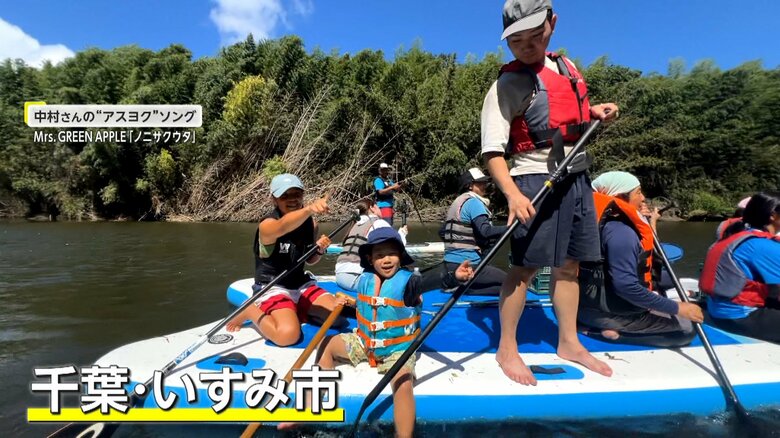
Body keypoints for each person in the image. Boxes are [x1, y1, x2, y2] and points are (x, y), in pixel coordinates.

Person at [481, 0, 619, 385]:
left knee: (571, 265)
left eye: (534, 36)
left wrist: (594, 113)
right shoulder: (508, 84)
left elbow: (565, 118)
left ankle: (569, 342)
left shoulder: (566, 67)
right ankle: (507, 348)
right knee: (525, 268)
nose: (526, 47)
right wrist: (512, 195)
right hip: (532, 181)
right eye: (516, 41)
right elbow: (492, 151)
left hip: (577, 175)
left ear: (552, 24)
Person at [314, 227, 474, 436]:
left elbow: (428, 281)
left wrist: (454, 277)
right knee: (326, 344)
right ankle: (311, 405)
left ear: (400, 256)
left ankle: (403, 435)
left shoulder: (409, 283)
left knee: (403, 383)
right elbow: (366, 313)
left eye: (392, 254)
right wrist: (343, 307)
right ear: (370, 259)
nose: (386, 260)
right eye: (380, 255)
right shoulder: (365, 279)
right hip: (364, 342)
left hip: (397, 350)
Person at [577, 171, 703, 347]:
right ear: (620, 196)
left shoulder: (593, 224)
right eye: (638, 192)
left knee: (664, 284)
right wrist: (678, 308)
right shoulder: (622, 232)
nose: (643, 198)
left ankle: (589, 323)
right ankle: (605, 333)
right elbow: (625, 286)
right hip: (611, 315)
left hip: (586, 308)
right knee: (686, 331)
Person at [225, 173, 344, 346]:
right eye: (284, 196)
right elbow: (283, 226)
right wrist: (309, 209)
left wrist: (319, 250)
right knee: (287, 336)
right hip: (273, 286)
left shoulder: (312, 224)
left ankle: (296, 308)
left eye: (297, 194)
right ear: (274, 199)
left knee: (337, 317)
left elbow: (309, 260)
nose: (292, 199)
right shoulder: (267, 225)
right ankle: (250, 310)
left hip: (300, 284)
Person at [701, 192, 780, 343]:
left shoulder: (737, 236)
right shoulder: (762, 246)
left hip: (719, 311)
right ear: (772, 216)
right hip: (740, 317)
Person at [421, 167, 508, 295]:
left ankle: (459, 284)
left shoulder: (458, 202)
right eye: (480, 183)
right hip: (469, 264)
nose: (484, 185)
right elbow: (486, 231)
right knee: (512, 283)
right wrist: (511, 228)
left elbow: (442, 232)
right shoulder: (474, 203)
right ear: (470, 186)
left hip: (450, 264)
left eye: (484, 182)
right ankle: (466, 290)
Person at [335, 198, 408, 292]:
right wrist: (402, 233)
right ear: (372, 208)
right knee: (403, 276)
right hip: (357, 278)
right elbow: (395, 246)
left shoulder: (355, 224)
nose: (381, 211)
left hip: (339, 276)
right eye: (379, 207)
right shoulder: (378, 222)